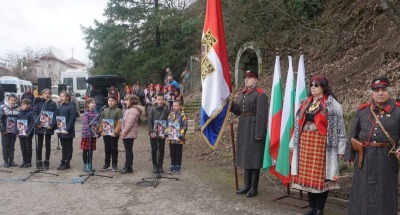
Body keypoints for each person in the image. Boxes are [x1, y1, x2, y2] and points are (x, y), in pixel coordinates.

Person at [290, 76, 346, 215]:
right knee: (308, 177)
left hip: (322, 145)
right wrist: (293, 142)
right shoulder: (305, 103)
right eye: (311, 85)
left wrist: (341, 148)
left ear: (324, 87)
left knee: (322, 178)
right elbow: (297, 125)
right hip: (305, 143)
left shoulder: (333, 105)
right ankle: (311, 208)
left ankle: (319, 209)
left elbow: (340, 128)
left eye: (316, 85)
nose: (313, 87)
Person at [345, 78, 400, 215]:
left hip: (386, 158)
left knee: (384, 192)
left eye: (384, 90)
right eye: (377, 90)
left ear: (389, 92)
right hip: (364, 158)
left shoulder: (398, 110)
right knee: (362, 190)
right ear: (372, 93)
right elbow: (354, 133)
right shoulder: (364, 110)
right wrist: (349, 154)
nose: (380, 93)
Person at [231, 69, 268, 198]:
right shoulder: (244, 94)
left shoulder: (260, 95)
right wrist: (229, 103)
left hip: (253, 128)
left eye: (250, 77)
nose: (247, 79)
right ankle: (246, 185)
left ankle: (253, 187)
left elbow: (262, 115)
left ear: (256, 80)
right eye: (246, 77)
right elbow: (239, 111)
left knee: (254, 158)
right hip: (244, 127)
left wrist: (259, 133)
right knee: (247, 156)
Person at [32, 89, 57, 170]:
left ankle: (46, 162)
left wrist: (52, 125)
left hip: (48, 127)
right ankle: (39, 161)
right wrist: (37, 123)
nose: (47, 95)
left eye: (49, 93)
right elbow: (34, 113)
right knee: (39, 145)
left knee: (47, 144)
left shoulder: (53, 104)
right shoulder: (38, 103)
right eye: (45, 93)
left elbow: (55, 116)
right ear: (42, 94)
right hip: (40, 126)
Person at [119, 95, 143, 174]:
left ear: (131, 101)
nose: (125, 102)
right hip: (126, 133)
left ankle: (129, 167)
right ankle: (127, 165)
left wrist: (124, 132)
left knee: (128, 151)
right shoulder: (129, 109)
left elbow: (130, 123)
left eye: (127, 100)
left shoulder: (133, 110)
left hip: (129, 133)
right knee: (127, 150)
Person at [147, 92, 170, 173]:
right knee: (154, 149)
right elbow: (149, 121)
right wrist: (151, 132)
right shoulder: (152, 109)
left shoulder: (166, 110)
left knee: (161, 149)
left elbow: (168, 122)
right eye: (158, 99)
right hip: (154, 133)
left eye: (161, 99)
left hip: (162, 134)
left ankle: (160, 165)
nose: (160, 101)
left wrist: (166, 133)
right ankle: (155, 165)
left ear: (164, 100)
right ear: (156, 100)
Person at [99, 95, 122, 172]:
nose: (110, 102)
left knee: (114, 148)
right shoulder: (104, 110)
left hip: (114, 134)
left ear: (115, 102)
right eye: (109, 101)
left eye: (112, 101)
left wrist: (115, 132)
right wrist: (101, 131)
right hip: (106, 134)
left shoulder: (118, 111)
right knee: (107, 148)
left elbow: (120, 123)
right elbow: (101, 121)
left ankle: (114, 164)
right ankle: (107, 164)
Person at [54, 91, 76, 170]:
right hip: (61, 130)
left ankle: (67, 163)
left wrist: (67, 129)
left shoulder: (71, 107)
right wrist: (57, 128)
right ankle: (63, 161)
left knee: (68, 146)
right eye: (61, 96)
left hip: (68, 131)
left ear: (67, 98)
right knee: (63, 147)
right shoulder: (60, 107)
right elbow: (57, 118)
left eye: (63, 96)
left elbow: (72, 119)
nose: (61, 98)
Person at [166, 100, 187, 174]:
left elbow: (184, 127)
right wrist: (167, 135)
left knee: (178, 153)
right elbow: (168, 126)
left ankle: (178, 166)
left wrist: (180, 137)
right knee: (172, 153)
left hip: (178, 139)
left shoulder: (183, 115)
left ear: (180, 106)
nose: (174, 107)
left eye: (176, 105)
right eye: (173, 105)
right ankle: (172, 165)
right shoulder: (170, 115)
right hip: (171, 138)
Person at [0, 94, 20, 167]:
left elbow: (20, 121)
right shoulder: (3, 108)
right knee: (5, 146)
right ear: (8, 100)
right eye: (12, 100)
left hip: (13, 131)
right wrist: (3, 129)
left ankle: (11, 160)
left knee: (12, 146)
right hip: (5, 131)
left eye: (15, 100)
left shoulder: (18, 109)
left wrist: (17, 131)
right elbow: (1, 120)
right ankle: (5, 161)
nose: (13, 102)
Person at [14, 99, 34, 168]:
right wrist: (16, 132)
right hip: (21, 133)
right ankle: (24, 160)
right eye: (21, 105)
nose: (22, 106)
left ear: (28, 105)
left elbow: (32, 123)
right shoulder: (20, 113)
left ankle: (28, 162)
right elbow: (17, 123)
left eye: (24, 105)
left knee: (28, 147)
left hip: (27, 134)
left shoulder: (31, 113)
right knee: (23, 147)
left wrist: (27, 131)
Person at [81, 98, 98, 173]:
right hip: (86, 135)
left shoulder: (96, 114)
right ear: (87, 104)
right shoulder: (86, 114)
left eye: (94, 103)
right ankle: (85, 165)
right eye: (91, 103)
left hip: (93, 136)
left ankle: (90, 163)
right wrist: (89, 134)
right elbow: (85, 125)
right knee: (85, 150)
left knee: (90, 151)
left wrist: (96, 133)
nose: (93, 104)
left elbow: (96, 125)